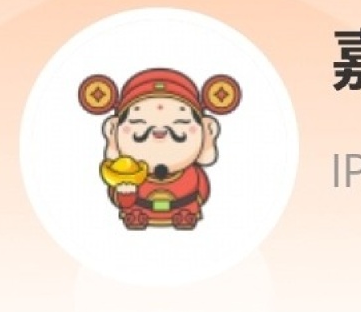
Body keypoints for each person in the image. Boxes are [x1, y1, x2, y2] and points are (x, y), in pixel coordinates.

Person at [79, 68, 241, 230]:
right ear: (113, 131)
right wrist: (126, 192)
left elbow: (202, 192)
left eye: (181, 123)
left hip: (184, 211)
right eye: (138, 124)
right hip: (138, 211)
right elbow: (119, 199)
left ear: (207, 131)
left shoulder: (193, 174)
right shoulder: (129, 175)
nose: (159, 132)